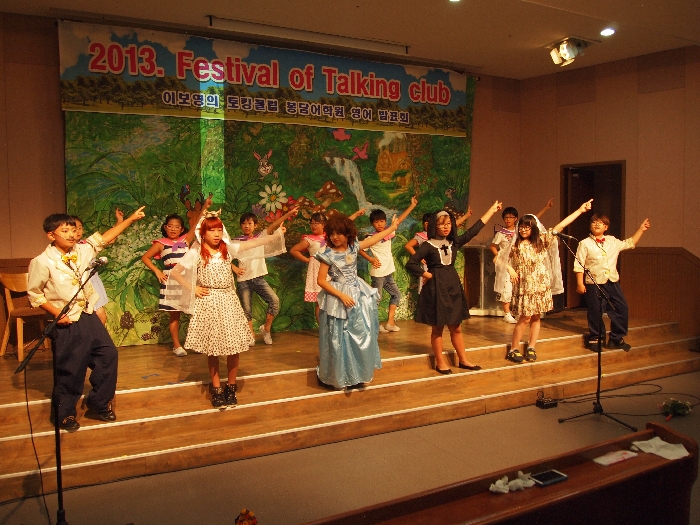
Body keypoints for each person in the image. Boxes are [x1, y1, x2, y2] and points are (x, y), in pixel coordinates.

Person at [28, 207, 146, 431]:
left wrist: (130, 219)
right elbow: (35, 295)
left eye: (73, 230)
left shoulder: (82, 251)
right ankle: (64, 414)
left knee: (108, 355)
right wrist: (57, 314)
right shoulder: (42, 262)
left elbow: (106, 237)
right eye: (65, 231)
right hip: (67, 319)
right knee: (71, 367)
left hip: (88, 313)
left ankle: (99, 403)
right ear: (51, 235)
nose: (72, 235)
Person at [165, 211, 288, 408]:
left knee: (234, 347)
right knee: (213, 349)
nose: (216, 234)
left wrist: (276, 235)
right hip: (209, 302)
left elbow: (255, 243)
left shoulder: (227, 249)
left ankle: (231, 386)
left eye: (219, 230)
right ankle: (216, 388)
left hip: (229, 300)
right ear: (203, 233)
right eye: (212, 230)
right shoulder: (197, 252)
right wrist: (193, 288)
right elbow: (176, 272)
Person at [406, 202, 502, 374]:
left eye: (449, 223)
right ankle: (440, 362)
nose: (446, 227)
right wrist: (427, 274)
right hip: (436, 288)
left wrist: (491, 211)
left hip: (452, 286)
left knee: (456, 327)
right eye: (442, 224)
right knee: (438, 328)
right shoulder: (428, 245)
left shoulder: (454, 242)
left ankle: (463, 359)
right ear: (435, 226)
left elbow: (474, 230)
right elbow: (411, 263)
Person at [315, 212, 405, 389]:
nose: (335, 237)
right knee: (339, 337)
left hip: (357, 294)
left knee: (359, 335)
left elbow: (373, 239)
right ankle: (339, 376)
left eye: (339, 233)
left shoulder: (353, 247)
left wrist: (392, 228)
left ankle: (358, 373)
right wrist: (341, 295)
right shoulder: (328, 255)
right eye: (331, 234)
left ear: (347, 233)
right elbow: (321, 280)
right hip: (338, 298)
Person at [502, 199, 593, 364]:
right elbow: (499, 259)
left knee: (536, 317)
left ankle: (531, 347)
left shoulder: (542, 241)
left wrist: (580, 210)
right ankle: (514, 349)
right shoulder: (515, 244)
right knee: (524, 318)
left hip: (540, 284)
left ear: (533, 228)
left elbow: (561, 226)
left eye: (527, 227)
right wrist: (510, 269)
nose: (523, 229)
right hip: (524, 286)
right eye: (521, 226)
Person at [575, 215, 651, 351]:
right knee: (595, 311)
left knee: (621, 308)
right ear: (590, 226)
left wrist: (641, 229)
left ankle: (616, 338)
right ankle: (596, 339)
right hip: (594, 282)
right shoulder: (584, 243)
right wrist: (580, 284)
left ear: (606, 227)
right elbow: (579, 265)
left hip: (612, 281)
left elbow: (630, 243)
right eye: (594, 222)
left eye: (600, 223)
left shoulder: (612, 240)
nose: (596, 224)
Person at [235, 206, 299, 345]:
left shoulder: (260, 237)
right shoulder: (236, 241)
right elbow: (224, 256)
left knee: (274, 301)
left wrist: (289, 213)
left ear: (255, 225)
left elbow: (274, 225)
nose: (246, 226)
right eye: (244, 223)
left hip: (258, 278)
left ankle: (266, 329)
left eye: (250, 223)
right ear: (241, 226)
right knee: (247, 310)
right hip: (243, 280)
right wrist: (234, 268)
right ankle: (250, 334)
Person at [290, 209, 366, 322]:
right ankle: (322, 327)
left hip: (334, 270)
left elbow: (344, 223)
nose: (313, 225)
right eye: (312, 223)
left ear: (324, 224)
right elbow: (294, 250)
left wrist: (356, 214)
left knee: (332, 299)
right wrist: (307, 260)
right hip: (318, 270)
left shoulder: (331, 236)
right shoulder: (309, 239)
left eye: (317, 223)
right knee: (320, 301)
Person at [491, 199, 553, 324]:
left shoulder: (520, 230)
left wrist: (546, 208)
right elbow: (493, 247)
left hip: (520, 262)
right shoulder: (501, 233)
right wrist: (500, 256)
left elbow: (534, 219)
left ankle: (520, 312)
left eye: (511, 217)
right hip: (507, 262)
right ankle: (507, 313)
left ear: (516, 219)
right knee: (506, 287)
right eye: (506, 217)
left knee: (519, 288)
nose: (508, 220)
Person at [362, 197, 418, 332]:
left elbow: (399, 220)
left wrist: (412, 206)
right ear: (372, 224)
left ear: (385, 221)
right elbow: (359, 249)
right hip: (378, 274)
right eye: (376, 222)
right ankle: (373, 325)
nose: (380, 224)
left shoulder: (388, 232)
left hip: (388, 273)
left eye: (382, 221)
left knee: (396, 295)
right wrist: (371, 259)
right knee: (376, 299)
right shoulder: (371, 237)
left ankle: (390, 323)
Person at [72, 209, 124, 324]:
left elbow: (110, 239)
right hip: (80, 286)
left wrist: (119, 221)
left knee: (100, 316)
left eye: (80, 228)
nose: (78, 231)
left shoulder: (87, 244)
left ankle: (98, 336)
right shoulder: (68, 251)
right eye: (74, 229)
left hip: (93, 283)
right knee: (91, 317)